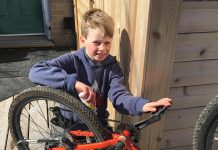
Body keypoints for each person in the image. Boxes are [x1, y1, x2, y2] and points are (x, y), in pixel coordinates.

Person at [29, 8, 172, 128]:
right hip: (70, 124)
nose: (103, 48)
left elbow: (119, 96)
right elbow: (36, 72)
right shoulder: (72, 60)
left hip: (99, 124)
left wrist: (142, 105)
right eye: (97, 42)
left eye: (107, 43)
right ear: (83, 40)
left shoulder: (112, 67)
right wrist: (74, 83)